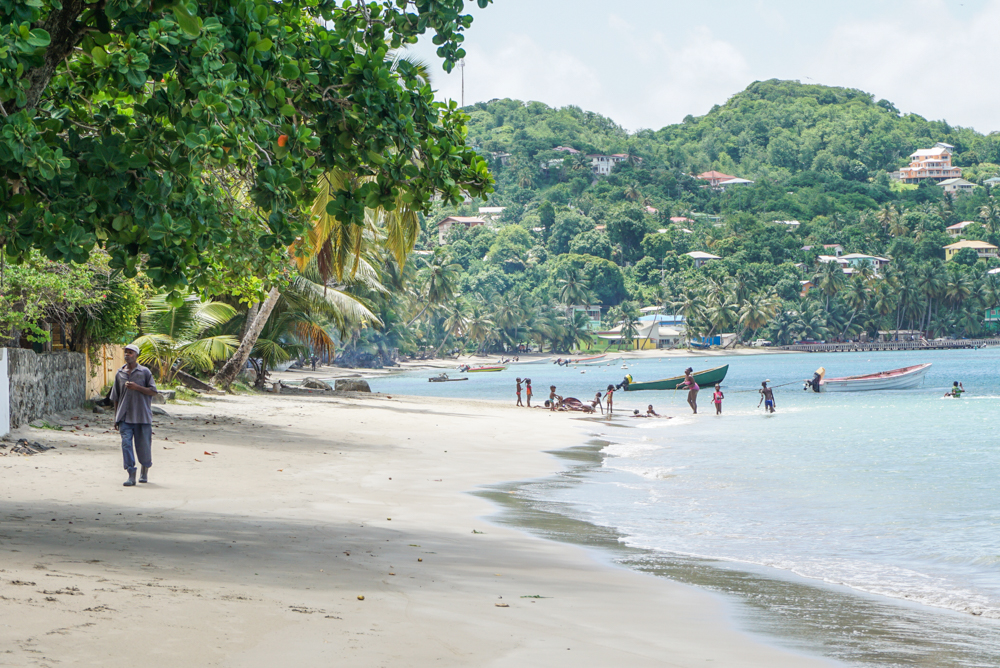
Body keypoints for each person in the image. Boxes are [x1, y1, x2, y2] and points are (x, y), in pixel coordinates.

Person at [109, 343, 158, 486]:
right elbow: (116, 397)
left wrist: (137, 387)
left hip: (142, 416)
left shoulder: (145, 372)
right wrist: (116, 417)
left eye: (130, 352)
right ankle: (131, 472)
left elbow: (153, 391)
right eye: (126, 352)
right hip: (124, 417)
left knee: (144, 446)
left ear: (136, 355)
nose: (127, 355)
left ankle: (145, 468)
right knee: (126, 444)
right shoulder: (120, 374)